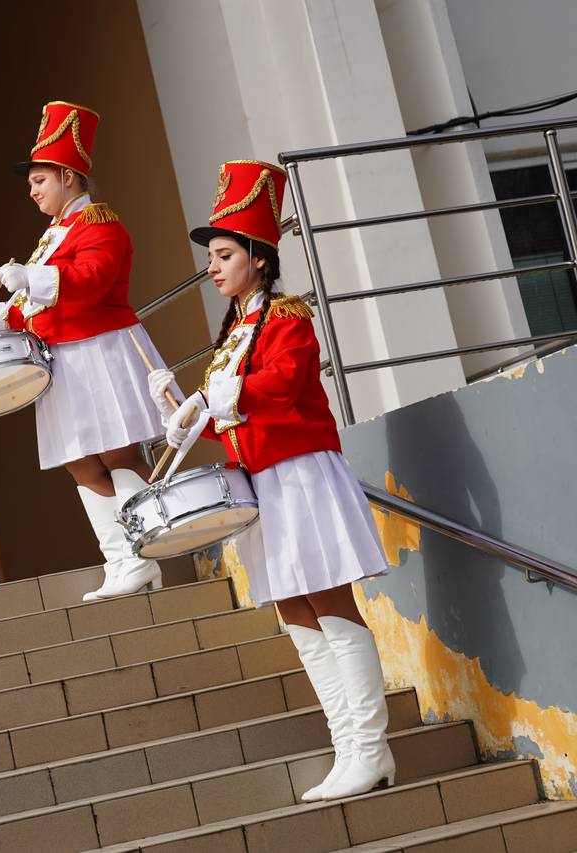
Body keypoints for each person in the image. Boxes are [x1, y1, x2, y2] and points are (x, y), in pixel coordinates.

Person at [147, 160, 392, 801]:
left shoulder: (288, 317)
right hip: (262, 483)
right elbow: (229, 418)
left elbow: (281, 384)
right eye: (212, 257)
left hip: (302, 476)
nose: (213, 267)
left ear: (259, 257)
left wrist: (224, 395)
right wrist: (181, 408)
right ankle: (350, 750)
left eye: (224, 255)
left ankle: (371, 748)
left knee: (331, 606)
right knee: (295, 613)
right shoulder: (234, 330)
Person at [0, 101, 179, 601]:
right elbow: (34, 305)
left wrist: (30, 278)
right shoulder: (55, 234)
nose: (32, 191)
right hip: (65, 358)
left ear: (68, 176)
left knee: (117, 453)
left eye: (40, 180)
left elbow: (93, 282)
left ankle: (146, 552)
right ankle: (122, 559)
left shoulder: (101, 224)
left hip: (98, 351)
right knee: (79, 461)